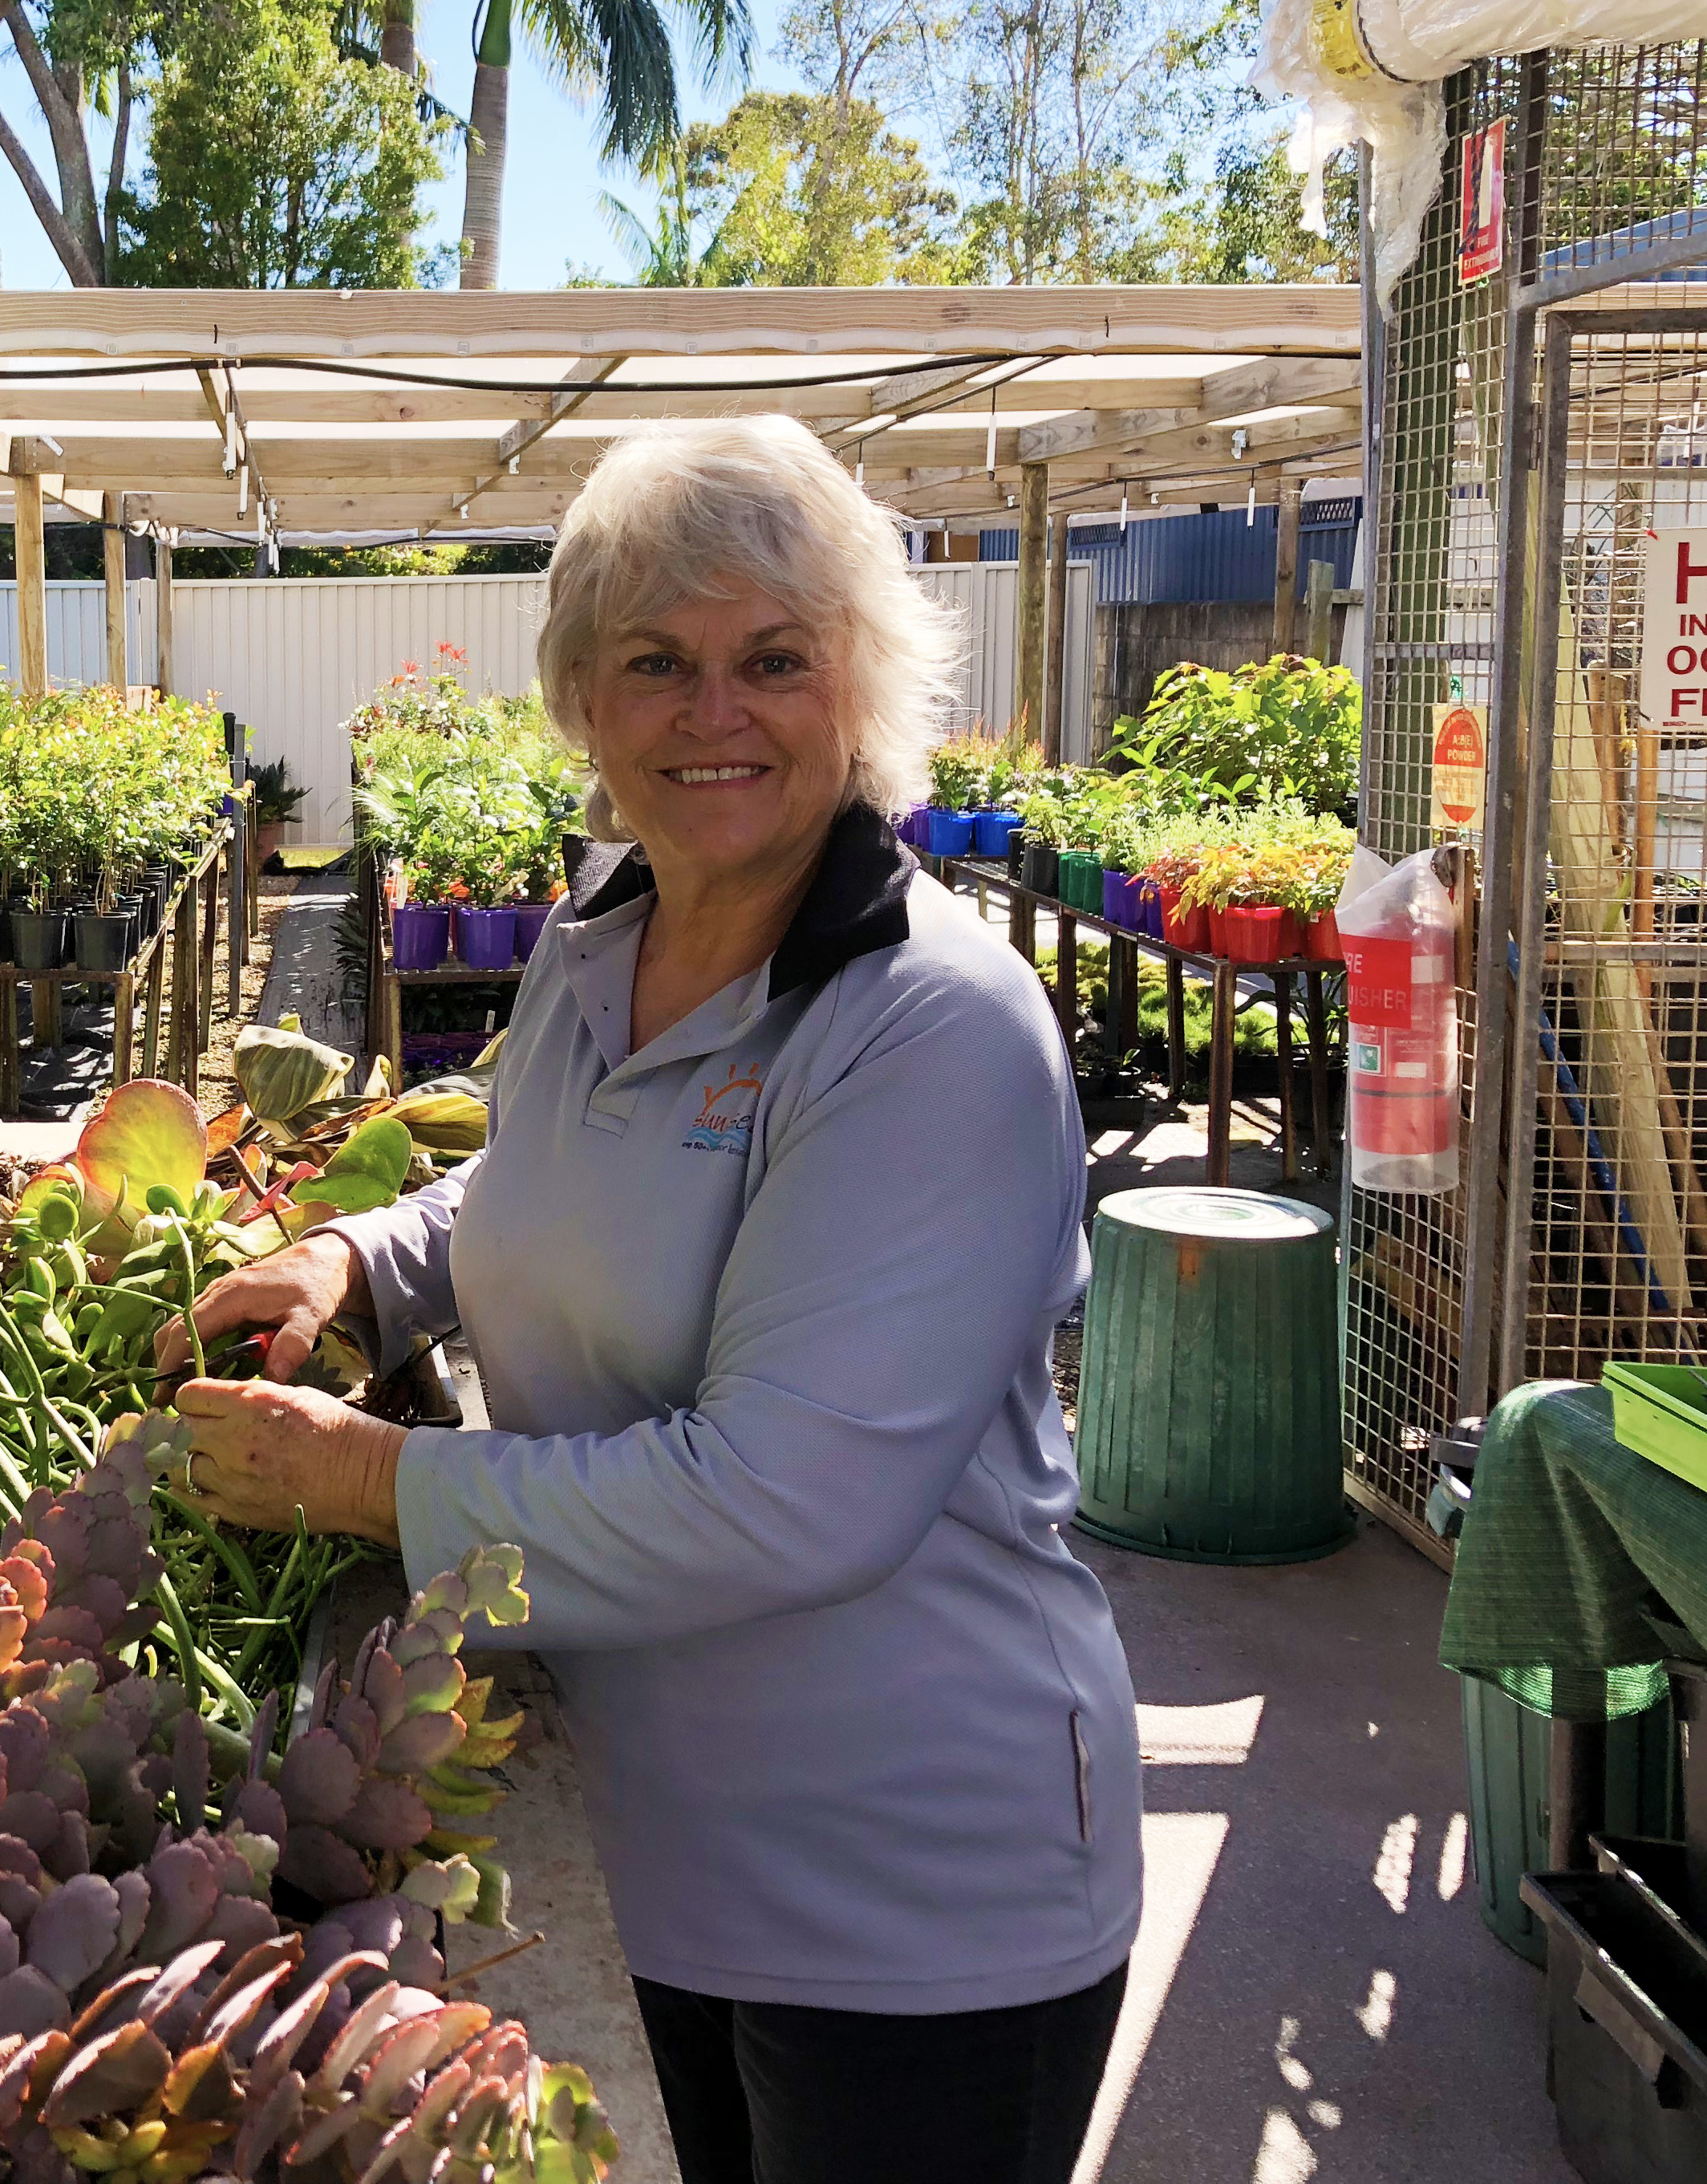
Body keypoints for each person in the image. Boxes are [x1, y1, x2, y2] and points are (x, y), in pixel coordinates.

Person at [156, 416, 1142, 2184]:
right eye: (655, 665)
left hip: (922, 1892)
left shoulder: (933, 1029)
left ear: (863, 687)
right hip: (689, 1848)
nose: (713, 716)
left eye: (773, 660)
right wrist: (360, 1266)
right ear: (585, 704)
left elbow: (788, 1493)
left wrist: (360, 1480)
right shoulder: (603, 942)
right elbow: (529, 1191)